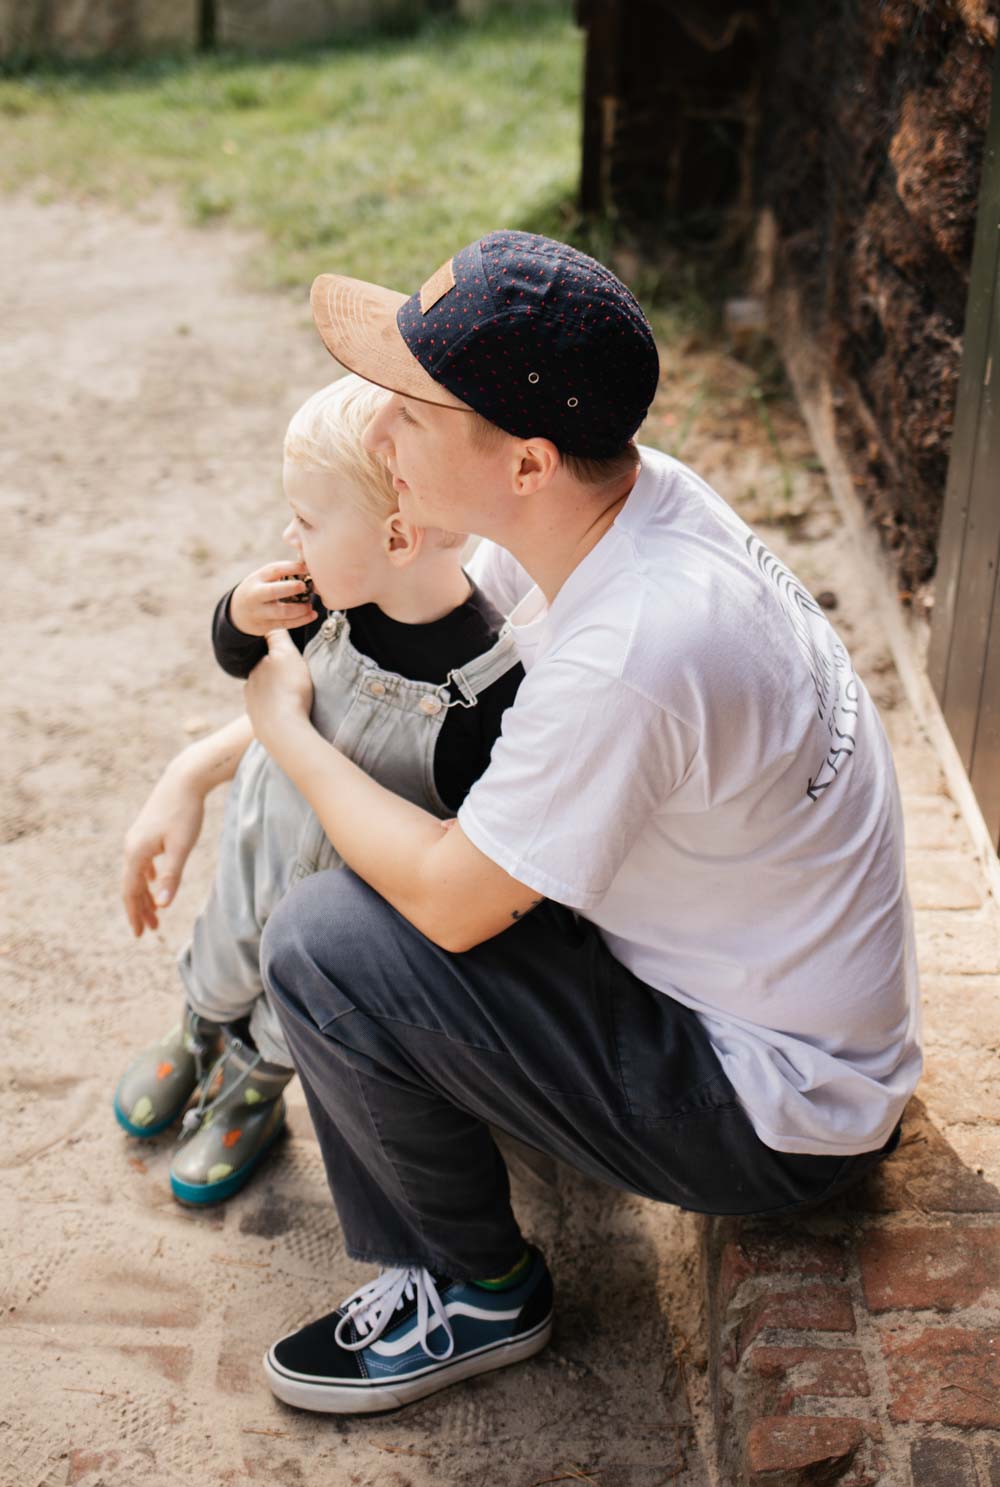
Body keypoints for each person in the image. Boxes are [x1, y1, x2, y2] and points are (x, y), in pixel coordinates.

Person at [122, 231, 920, 1418]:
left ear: (529, 462)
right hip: (760, 996)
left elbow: (447, 900)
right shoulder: (624, 513)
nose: (381, 435)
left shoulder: (634, 651)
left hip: (777, 1112)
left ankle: (475, 1291)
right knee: (399, 833)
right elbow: (407, 685)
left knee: (326, 940)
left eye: (412, 414)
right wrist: (202, 762)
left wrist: (282, 736)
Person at [116, 372, 523, 1204]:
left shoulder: (489, 687)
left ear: (399, 537)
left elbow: (478, 844)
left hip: (347, 901)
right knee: (227, 947)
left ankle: (255, 1088)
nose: (286, 538)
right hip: (260, 847)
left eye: (306, 521)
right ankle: (197, 1031)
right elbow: (241, 661)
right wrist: (237, 614)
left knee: (288, 1006)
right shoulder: (325, 598)